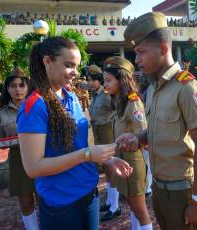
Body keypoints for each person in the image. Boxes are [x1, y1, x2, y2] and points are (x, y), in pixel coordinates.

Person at [17, 36, 133, 230]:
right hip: (61, 200)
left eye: (77, 66)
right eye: (69, 65)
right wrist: (87, 154)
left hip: (88, 192)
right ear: (47, 62)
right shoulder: (34, 105)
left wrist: (106, 160)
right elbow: (33, 168)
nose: (75, 72)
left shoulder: (70, 96)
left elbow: (78, 146)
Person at [117, 12, 197, 230]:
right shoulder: (153, 88)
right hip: (159, 189)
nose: (137, 60)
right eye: (135, 53)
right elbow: (159, 132)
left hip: (182, 192)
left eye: (141, 52)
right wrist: (138, 137)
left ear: (162, 49)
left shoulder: (186, 88)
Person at [103, 56, 153, 230]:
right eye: (104, 80)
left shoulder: (133, 102)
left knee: (140, 209)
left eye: (109, 80)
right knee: (132, 207)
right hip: (122, 161)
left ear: (121, 80)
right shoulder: (119, 103)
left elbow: (143, 134)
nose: (105, 84)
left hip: (132, 162)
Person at [0, 67, 39, 230]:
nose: (18, 89)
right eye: (13, 86)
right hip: (18, 160)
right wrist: (11, 142)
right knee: (25, 201)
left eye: (21, 85)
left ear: (28, 87)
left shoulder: (38, 107)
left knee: (45, 197)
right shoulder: (1, 115)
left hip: (41, 157)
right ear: (7, 89)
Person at [86, 64, 121, 221]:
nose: (89, 82)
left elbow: (116, 110)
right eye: (88, 79)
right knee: (106, 168)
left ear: (99, 80)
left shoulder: (106, 95)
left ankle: (115, 206)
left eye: (92, 80)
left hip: (107, 131)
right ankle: (109, 201)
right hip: (98, 131)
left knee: (110, 167)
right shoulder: (95, 95)